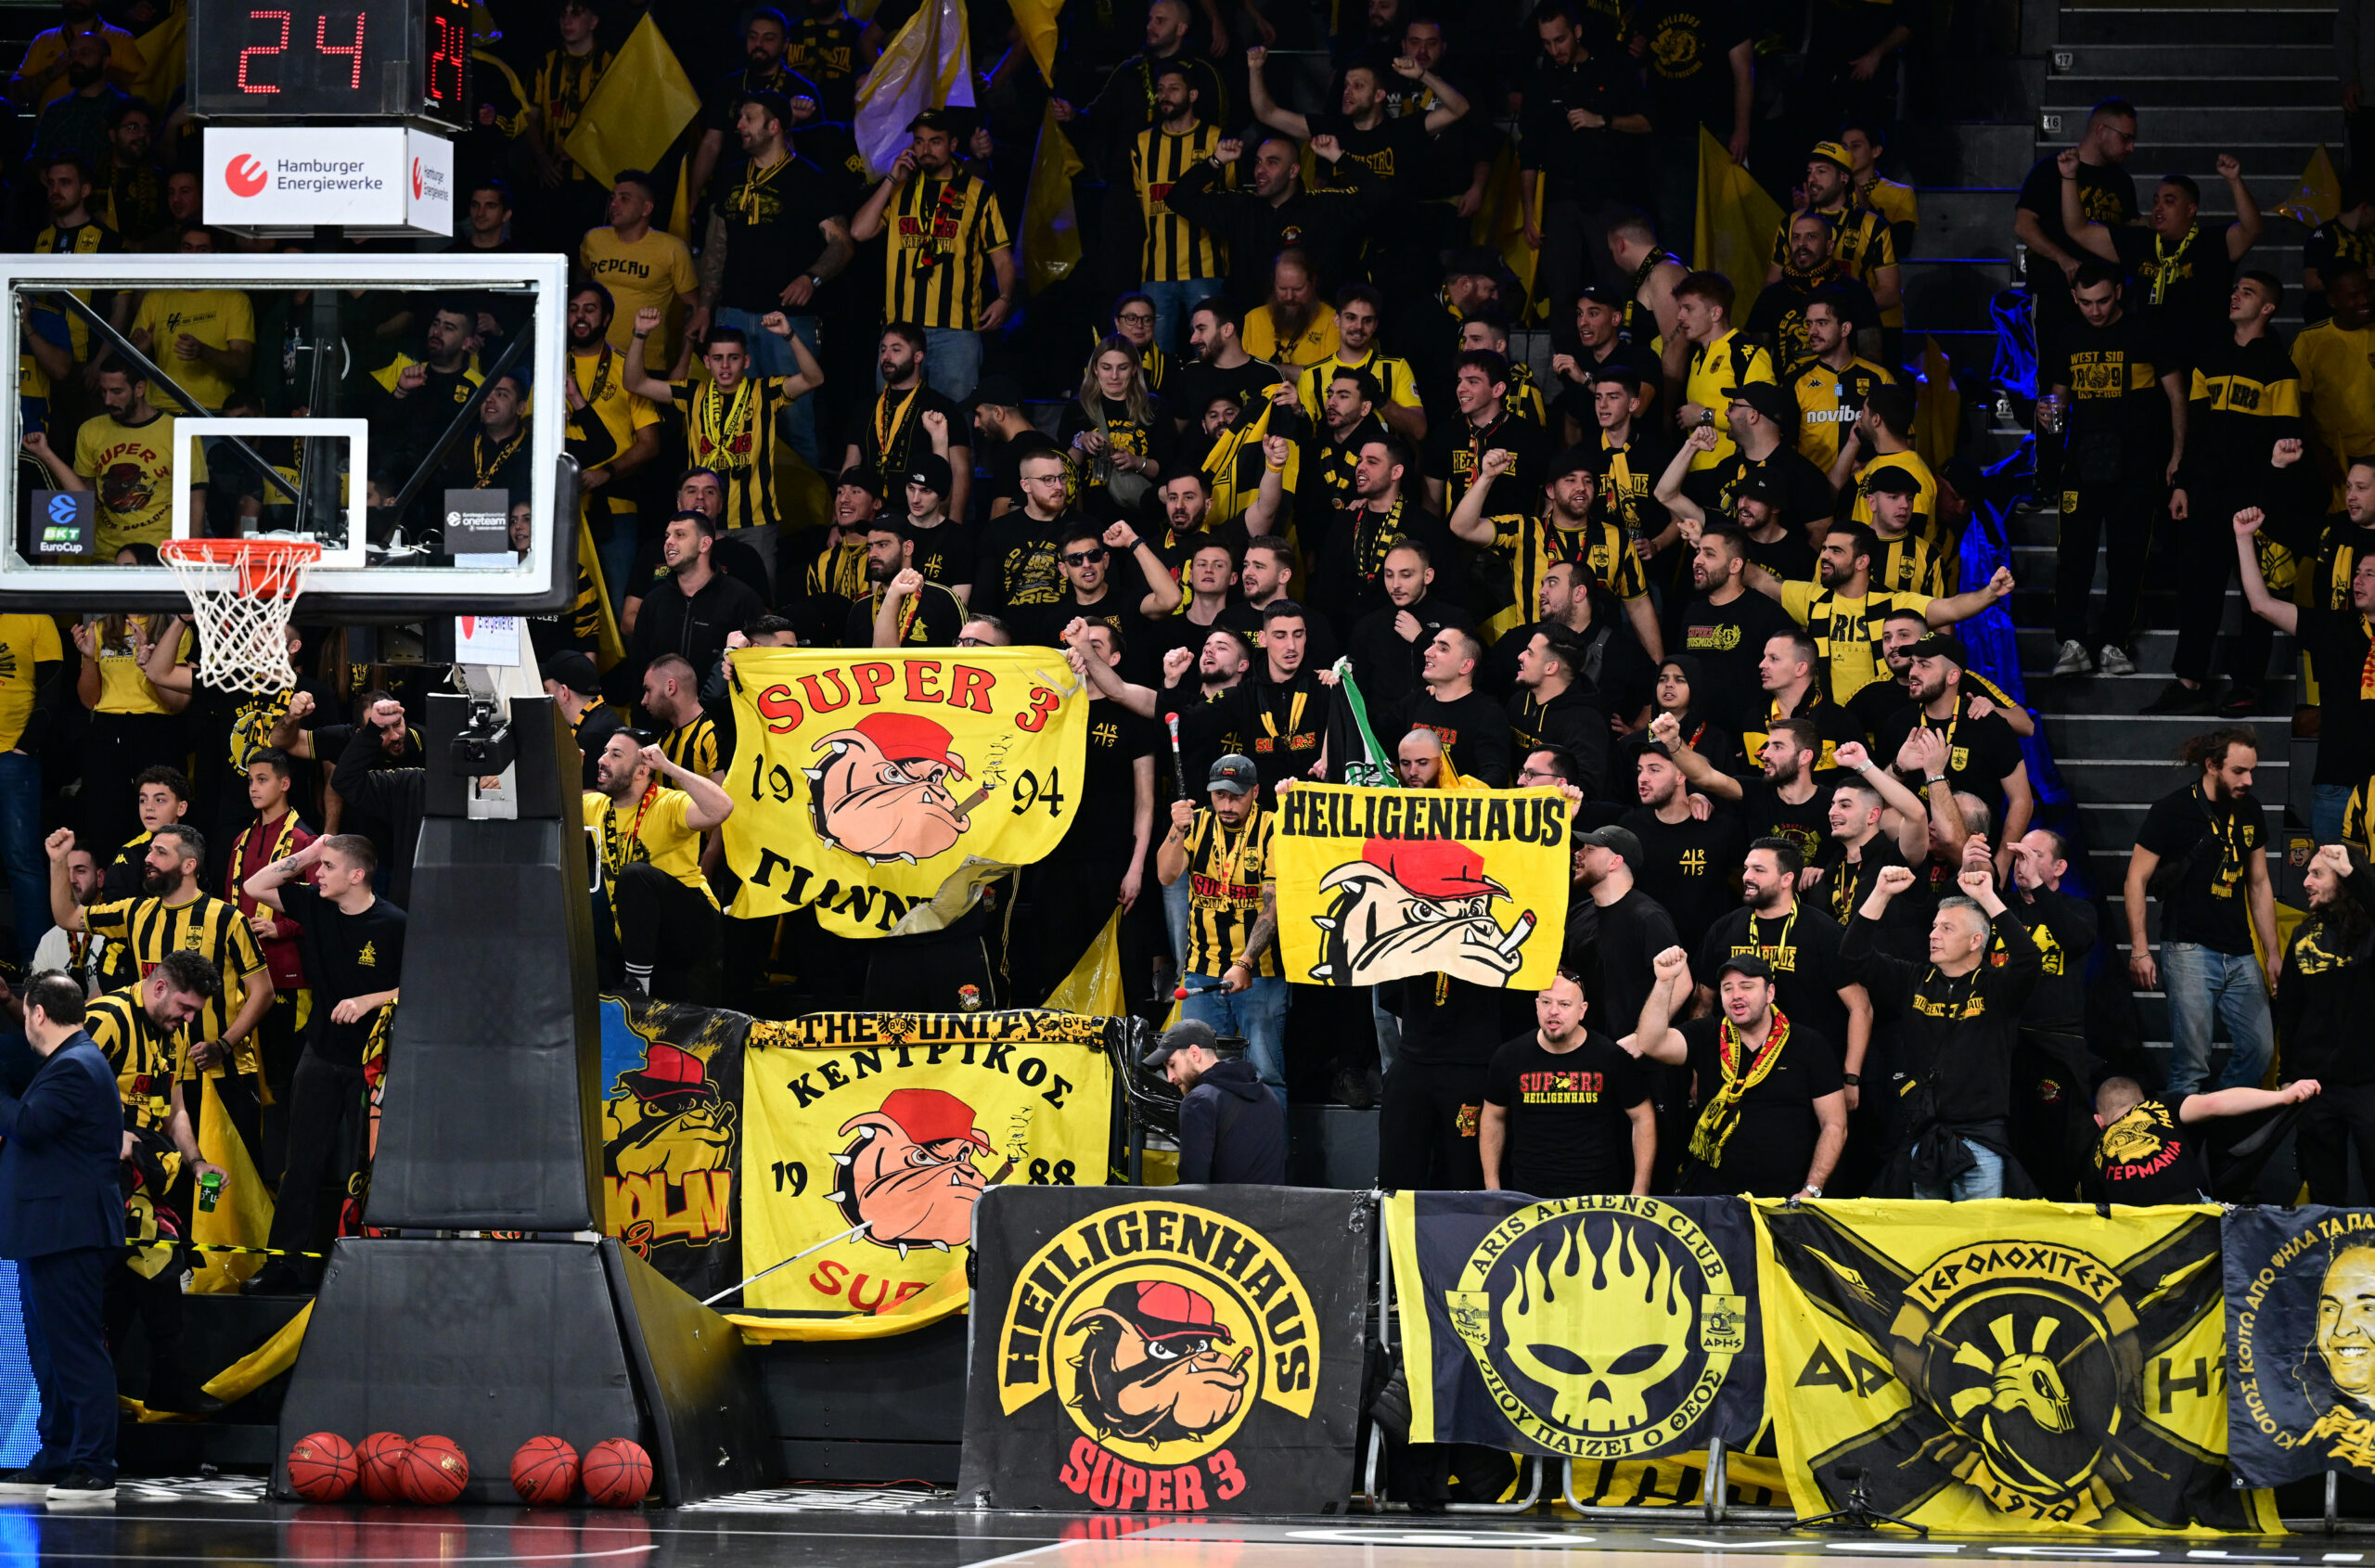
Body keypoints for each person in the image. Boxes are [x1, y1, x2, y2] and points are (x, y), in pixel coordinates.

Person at [240, 836, 403, 1293]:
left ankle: (363, 1267)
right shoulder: (316, 904)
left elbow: (422, 985)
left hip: (372, 1061)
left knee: (364, 1166)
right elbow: (255, 884)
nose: (317, 875)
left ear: (357, 875)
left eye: (328, 867)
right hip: (321, 1052)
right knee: (301, 1164)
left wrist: (370, 999)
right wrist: (311, 852)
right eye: (318, 867)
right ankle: (283, 1266)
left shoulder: (393, 924)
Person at [0, 971, 127, 1503]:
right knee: (46, 1351)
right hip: (45, 1233)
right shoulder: (69, 1060)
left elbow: (29, 1125)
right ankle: (54, 1452)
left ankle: (94, 1465)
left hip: (69, 1234)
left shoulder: (76, 1065)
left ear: (36, 1012)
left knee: (74, 1350)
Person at [1846, 858, 2040, 1199]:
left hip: (1981, 1141)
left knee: (1977, 1242)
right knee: (1933, 1245)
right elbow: (1852, 956)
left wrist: (1987, 896)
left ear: (1975, 941)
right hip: (1924, 1137)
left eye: (1947, 928)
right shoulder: (1913, 979)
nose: (1933, 935)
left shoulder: (1998, 988)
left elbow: (2028, 958)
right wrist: (1880, 893)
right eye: (1934, 926)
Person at [2154, 273, 2297, 718]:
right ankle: (2189, 679)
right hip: (2206, 493)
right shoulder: (2210, 354)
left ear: (2269, 308)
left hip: (2255, 500)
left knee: (2257, 595)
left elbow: (2287, 444)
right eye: (2235, 288)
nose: (2235, 295)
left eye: (2248, 292)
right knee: (2199, 588)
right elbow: (2194, 431)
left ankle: (2248, 683)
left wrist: (2267, 501)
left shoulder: (2280, 366)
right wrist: (2182, 485)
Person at [2042, 261, 2188, 678]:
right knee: (2073, 557)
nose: (2096, 310)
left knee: (2127, 559)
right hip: (2082, 465)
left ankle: (2114, 641)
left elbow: (2178, 397)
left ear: (2119, 293)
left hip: (2137, 465)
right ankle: (2072, 641)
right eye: (2086, 302)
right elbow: (2057, 406)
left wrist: (2177, 457)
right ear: (2074, 298)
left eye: (2103, 300)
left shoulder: (2146, 332)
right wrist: (2046, 415)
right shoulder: (2069, 337)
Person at [694, 91, 854, 466]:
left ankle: (809, 518)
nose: (739, 126)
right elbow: (716, 245)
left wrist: (811, 278)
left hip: (787, 323)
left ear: (774, 125)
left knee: (796, 424)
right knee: (729, 423)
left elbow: (842, 244)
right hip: (731, 317)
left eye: (748, 118)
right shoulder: (731, 175)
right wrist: (704, 305)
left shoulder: (810, 178)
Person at [2125, 727, 2278, 1098]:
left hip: (2240, 950)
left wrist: (2272, 952)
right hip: (2189, 949)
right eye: (2239, 771)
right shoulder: (2172, 810)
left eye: (2252, 771)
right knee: (2190, 1066)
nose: (2249, 780)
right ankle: (2186, 1150)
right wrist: (2140, 949)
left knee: (2261, 1050)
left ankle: (2213, 1122)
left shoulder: (2251, 809)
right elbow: (2135, 879)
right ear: (2211, 765)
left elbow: (2259, 883)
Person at [1630, 948, 1847, 1199]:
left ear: (1770, 993)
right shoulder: (1708, 1033)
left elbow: (1834, 1125)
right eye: (1727, 988)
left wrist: (1811, 1190)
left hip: (1784, 1201)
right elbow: (1650, 1043)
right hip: (1714, 1200)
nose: (1736, 996)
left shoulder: (1808, 1044)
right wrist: (1665, 982)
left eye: (1746, 987)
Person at [624, 310, 823, 572]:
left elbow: (814, 378)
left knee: (758, 604)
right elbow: (634, 382)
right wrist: (640, 334)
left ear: (747, 361)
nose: (726, 366)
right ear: (706, 362)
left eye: (733, 358)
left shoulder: (764, 392)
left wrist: (789, 334)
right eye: (718, 358)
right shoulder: (693, 392)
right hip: (703, 522)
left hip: (756, 523)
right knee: (705, 601)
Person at [850, 109, 1016, 400]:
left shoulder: (979, 193)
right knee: (893, 422)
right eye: (919, 141)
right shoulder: (899, 189)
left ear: (953, 144)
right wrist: (890, 178)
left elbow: (1001, 257)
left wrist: (1004, 298)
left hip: (956, 332)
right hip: (900, 329)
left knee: (953, 426)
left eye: (935, 141)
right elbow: (859, 232)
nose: (925, 149)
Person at [2237, 507, 2375, 847]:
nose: (2357, 579)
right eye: (2356, 572)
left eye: (2370, 574)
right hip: (2338, 787)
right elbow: (2261, 604)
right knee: (2332, 898)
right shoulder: (2335, 628)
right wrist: (2243, 539)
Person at [1694, 837, 1872, 1093]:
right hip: (1737, 1070)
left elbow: (1861, 1008)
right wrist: (1699, 1070)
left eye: (1758, 870)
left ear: (1787, 879)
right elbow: (1703, 1001)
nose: (1747, 876)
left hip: (1806, 1073)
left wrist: (1851, 1077)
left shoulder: (1824, 932)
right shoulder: (1724, 930)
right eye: (1746, 868)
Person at [1156, 754, 1286, 1097]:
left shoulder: (1273, 827)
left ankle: (1268, 1151)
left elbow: (1274, 907)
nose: (1227, 804)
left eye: (1236, 796)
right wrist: (1176, 828)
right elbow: (1166, 875)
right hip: (1202, 967)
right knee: (1197, 1074)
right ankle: (1209, 1148)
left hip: (1260, 971)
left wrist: (1245, 963)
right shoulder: (1196, 824)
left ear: (1256, 792)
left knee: (1265, 1072)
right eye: (1219, 795)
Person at [2058, 148, 2262, 365]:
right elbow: (2078, 229)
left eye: (2169, 201)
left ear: (2191, 209)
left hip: (2205, 361)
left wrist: (2235, 180)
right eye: (2156, 201)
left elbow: (2252, 229)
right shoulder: (2139, 242)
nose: (2158, 208)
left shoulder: (2213, 242)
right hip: (2152, 361)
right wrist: (2069, 177)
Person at [1519, 3, 1650, 328]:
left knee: (1614, 284)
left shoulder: (1613, 68)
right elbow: (1529, 154)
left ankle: (1619, 362)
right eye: (1546, 43)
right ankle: (1566, 366)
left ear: (1577, 32)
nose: (1554, 49)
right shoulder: (1541, 83)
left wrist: (1601, 120)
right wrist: (1528, 214)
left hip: (1609, 196)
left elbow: (1647, 122)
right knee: (1562, 290)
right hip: (1560, 200)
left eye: (1560, 40)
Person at [1480, 969, 1654, 1198]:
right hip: (1528, 1198)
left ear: (1582, 1011)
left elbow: (1643, 1118)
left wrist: (1640, 1191)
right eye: (1546, 1002)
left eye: (1564, 1004)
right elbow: (1492, 1117)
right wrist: (1492, 1191)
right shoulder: (1509, 1057)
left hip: (1596, 1198)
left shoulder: (1610, 1057)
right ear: (1536, 1006)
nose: (1553, 1011)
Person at [585, 734, 735, 1001]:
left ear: (642, 770)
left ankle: (637, 985)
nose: (602, 760)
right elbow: (548, 804)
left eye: (615, 755)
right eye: (604, 751)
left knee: (634, 875)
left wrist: (668, 767)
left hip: (691, 928)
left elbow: (722, 808)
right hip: (643, 944)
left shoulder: (668, 803)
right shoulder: (596, 805)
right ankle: (634, 980)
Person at [2279, 844, 2375, 1204]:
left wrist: (2353, 873)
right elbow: (2289, 1009)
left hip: (2368, 1082)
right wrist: (2287, 1075)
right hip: (2314, 1084)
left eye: (2317, 874)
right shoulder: (2304, 937)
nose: (2306, 881)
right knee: (2323, 1195)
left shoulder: (2370, 932)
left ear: (2344, 881)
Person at [25, 365, 201, 559]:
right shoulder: (91, 430)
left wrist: (190, 559)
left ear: (140, 389)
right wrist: (45, 453)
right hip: (104, 555)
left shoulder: (178, 431)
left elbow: (196, 500)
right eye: (103, 391)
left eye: (117, 392)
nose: (108, 400)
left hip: (158, 556)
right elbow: (83, 500)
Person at [2090, 1073, 2320, 1206]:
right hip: (2189, 1212)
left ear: (2099, 1121)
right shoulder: (2160, 1106)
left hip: (2134, 1229)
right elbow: (2213, 1103)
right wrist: (2284, 1096)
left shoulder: (2094, 1147)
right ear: (2142, 1101)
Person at [1621, 742, 1746, 953]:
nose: (1642, 778)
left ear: (1681, 776)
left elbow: (1743, 887)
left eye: (1654, 770)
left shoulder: (1721, 829)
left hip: (1710, 954)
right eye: (1640, 771)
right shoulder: (1629, 828)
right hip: (1650, 953)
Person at [846, 325, 973, 522]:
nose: (886, 357)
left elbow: (960, 471)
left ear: (918, 357)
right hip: (869, 518)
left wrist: (953, 528)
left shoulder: (943, 408)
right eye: (883, 349)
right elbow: (850, 465)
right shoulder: (866, 408)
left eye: (896, 350)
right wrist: (838, 523)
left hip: (918, 520)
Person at [580, 170, 700, 373]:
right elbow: (581, 288)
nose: (614, 204)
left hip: (646, 365)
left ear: (647, 208)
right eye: (613, 198)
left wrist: (683, 361)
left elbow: (693, 309)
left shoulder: (671, 248)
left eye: (624, 199)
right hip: (593, 360)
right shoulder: (594, 239)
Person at [625, 511, 769, 682]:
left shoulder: (742, 599)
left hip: (721, 707)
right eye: (667, 536)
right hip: (662, 707)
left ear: (705, 544)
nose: (669, 542)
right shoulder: (653, 602)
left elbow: (761, 665)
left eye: (680, 535)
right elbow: (639, 672)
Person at [1144, 1021, 1286, 1185]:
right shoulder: (1268, 1094)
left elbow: (1193, 1182)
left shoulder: (1199, 1100)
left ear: (1194, 1053)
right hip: (1271, 1208)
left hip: (1222, 1209)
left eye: (1172, 1065)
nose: (1170, 1078)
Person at [1673, 272, 1777, 472]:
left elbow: (1765, 418)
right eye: (1680, 309)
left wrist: (1704, 414)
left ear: (1715, 313)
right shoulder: (1696, 357)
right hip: (1699, 475)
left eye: (1688, 308)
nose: (1680, 316)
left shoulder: (1746, 353)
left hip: (1734, 476)